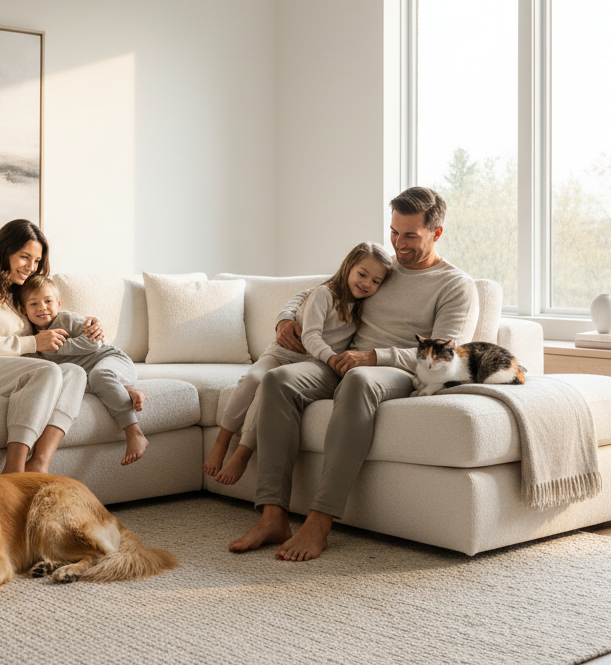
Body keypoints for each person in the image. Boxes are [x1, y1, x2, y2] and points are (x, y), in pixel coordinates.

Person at [229, 187, 479, 561]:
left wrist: (375, 356)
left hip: (396, 371)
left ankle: (319, 522)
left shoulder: (455, 285)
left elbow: (445, 358)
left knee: (360, 380)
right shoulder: (382, 269)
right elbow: (319, 290)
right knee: (278, 380)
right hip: (345, 361)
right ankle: (272, 515)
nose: (398, 243)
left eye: (410, 235)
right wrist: (284, 318)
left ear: (436, 233)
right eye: (394, 231)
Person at [202, 242, 394, 486]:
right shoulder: (325, 294)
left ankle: (243, 451)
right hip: (283, 353)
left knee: (268, 388)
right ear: (348, 267)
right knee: (253, 379)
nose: (367, 283)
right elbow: (310, 335)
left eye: (376, 281)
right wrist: (332, 358)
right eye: (362, 274)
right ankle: (222, 441)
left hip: (309, 364)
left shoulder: (363, 306)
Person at [0, 219, 103, 475]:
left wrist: (87, 325)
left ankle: (39, 463)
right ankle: (14, 470)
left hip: (1, 368)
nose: (31, 267)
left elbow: (49, 315)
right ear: (5, 251)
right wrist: (33, 342)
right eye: (25, 257)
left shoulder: (19, 296)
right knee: (46, 371)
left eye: (36, 261)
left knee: (74, 372)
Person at [20, 276, 150, 466]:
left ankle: (135, 433)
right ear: (24, 310)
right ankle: (127, 390)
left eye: (48, 301)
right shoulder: (33, 340)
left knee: (100, 375)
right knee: (78, 383)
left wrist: (57, 347)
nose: (42, 308)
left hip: (112, 360)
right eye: (34, 304)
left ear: (58, 304)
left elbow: (94, 342)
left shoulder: (66, 319)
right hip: (92, 375)